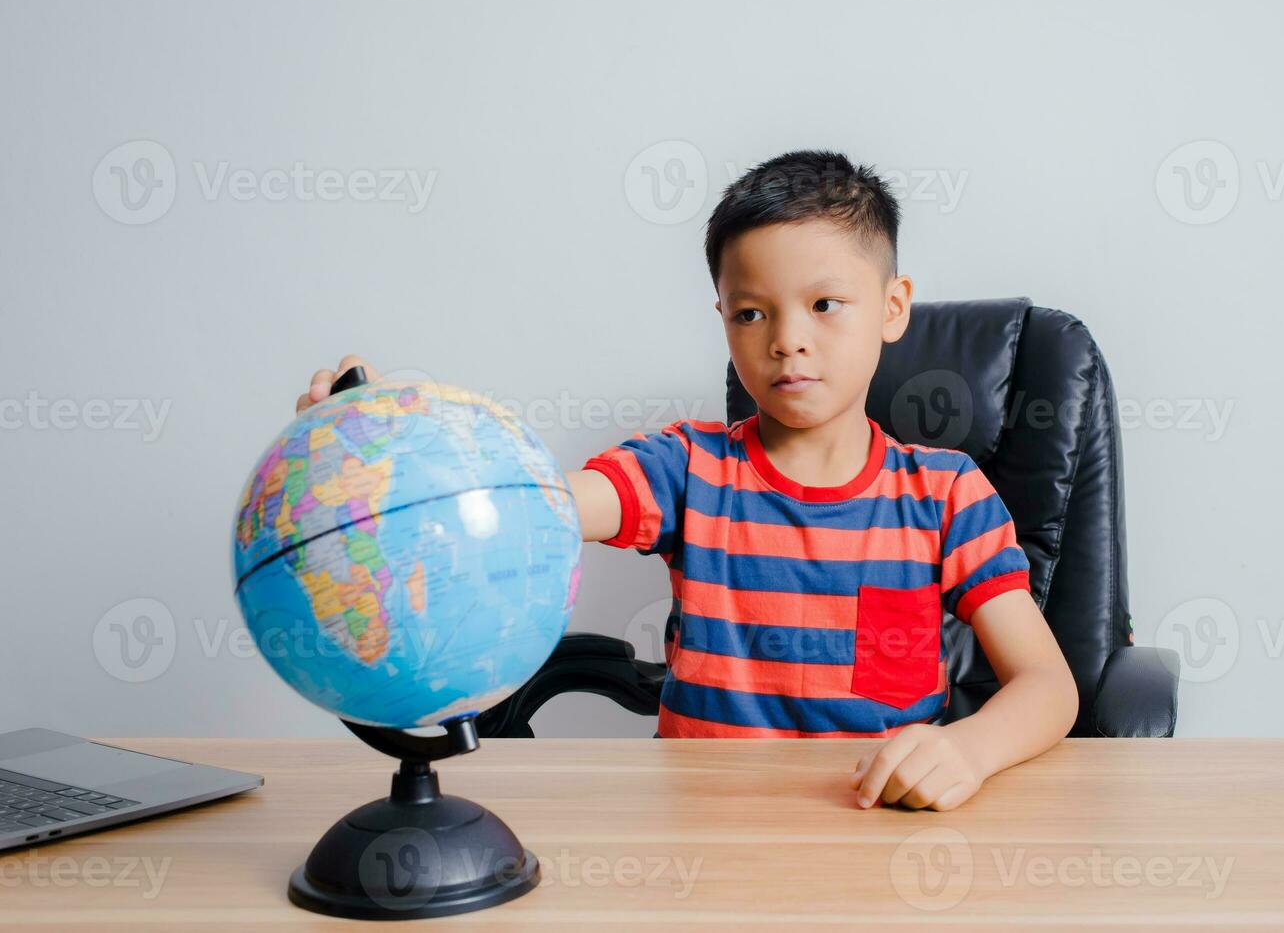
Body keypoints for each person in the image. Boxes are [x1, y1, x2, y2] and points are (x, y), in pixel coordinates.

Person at [295, 150, 1078, 812]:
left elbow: (1048, 686)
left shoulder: (947, 496)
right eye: (751, 314)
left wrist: (967, 751)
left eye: (825, 304)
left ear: (892, 308)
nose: (787, 342)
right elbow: (536, 503)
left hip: (874, 832)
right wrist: (401, 450)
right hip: (702, 843)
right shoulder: (687, 469)